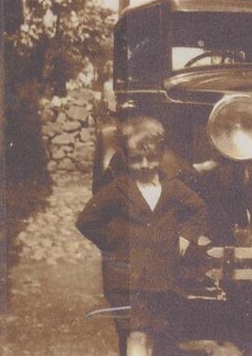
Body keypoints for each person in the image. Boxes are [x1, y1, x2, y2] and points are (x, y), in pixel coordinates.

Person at [77, 115, 210, 356]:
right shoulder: (118, 189)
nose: (145, 165)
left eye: (152, 158)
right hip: (126, 279)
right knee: (135, 335)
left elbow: (198, 210)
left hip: (161, 277)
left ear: (162, 156)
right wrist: (115, 243)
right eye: (137, 160)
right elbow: (87, 220)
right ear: (126, 159)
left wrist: (185, 236)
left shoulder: (172, 189)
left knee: (150, 336)